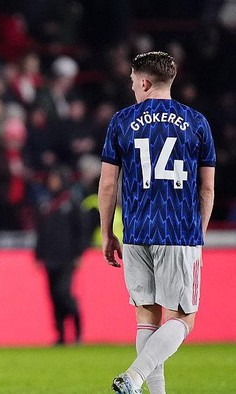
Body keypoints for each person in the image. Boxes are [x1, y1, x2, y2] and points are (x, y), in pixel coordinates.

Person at [98, 51, 215, 394]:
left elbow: (107, 185)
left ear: (145, 82)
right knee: (183, 319)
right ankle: (133, 377)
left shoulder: (121, 121)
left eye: (134, 81)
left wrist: (108, 232)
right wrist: (200, 233)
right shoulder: (197, 122)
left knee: (147, 318)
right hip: (179, 230)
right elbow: (206, 188)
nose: (133, 86)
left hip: (136, 231)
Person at [33, 166, 84, 345]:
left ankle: (77, 330)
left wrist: (78, 254)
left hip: (67, 257)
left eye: (55, 179)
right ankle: (61, 336)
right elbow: (40, 231)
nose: (52, 183)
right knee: (53, 297)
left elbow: (80, 231)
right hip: (50, 257)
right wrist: (38, 254)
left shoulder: (72, 202)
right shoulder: (45, 202)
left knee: (63, 294)